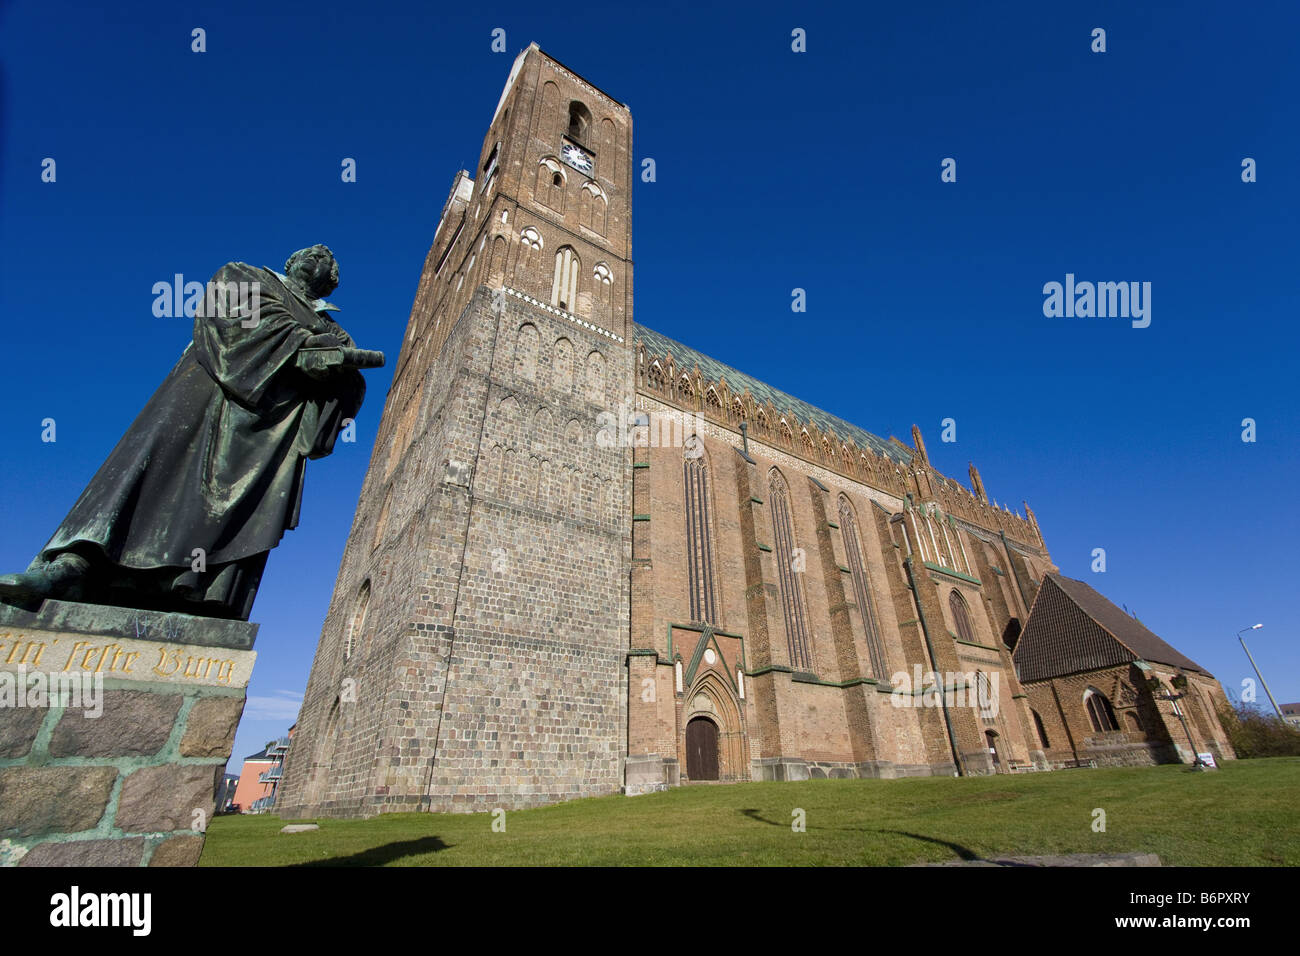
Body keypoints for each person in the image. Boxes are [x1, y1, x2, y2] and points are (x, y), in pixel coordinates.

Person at [0, 245, 383, 621]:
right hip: (208, 398)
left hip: (270, 432)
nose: (320, 258)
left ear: (332, 282)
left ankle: (192, 597)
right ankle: (74, 567)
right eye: (312, 254)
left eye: (328, 261)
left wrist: (335, 371)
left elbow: (349, 389)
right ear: (292, 261)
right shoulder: (248, 276)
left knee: (235, 513)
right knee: (147, 475)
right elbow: (232, 314)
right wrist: (302, 346)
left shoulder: (335, 330)